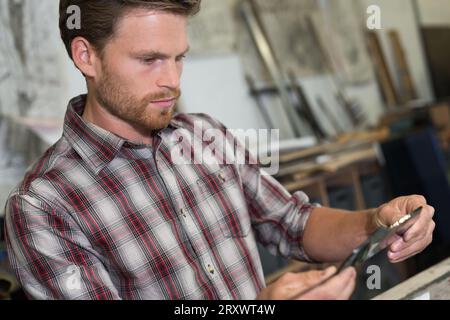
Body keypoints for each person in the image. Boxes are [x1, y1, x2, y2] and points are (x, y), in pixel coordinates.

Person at [4, 0, 434, 300]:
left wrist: (374, 224)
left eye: (179, 58)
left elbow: (291, 223)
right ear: (86, 56)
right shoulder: (44, 207)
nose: (171, 80)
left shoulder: (204, 137)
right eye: (150, 59)